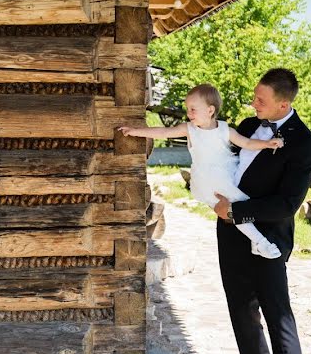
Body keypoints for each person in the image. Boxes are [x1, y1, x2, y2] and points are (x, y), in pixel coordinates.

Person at [211, 68, 311, 354]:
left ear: (283, 104)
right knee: (241, 309)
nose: (253, 104)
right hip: (230, 235)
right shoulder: (246, 125)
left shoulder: (304, 144)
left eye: (261, 99)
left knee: (278, 316)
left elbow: (288, 203)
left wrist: (237, 213)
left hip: (267, 239)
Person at [118, 83, 284, 259]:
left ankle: (257, 242)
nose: (189, 114)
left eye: (193, 109)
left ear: (210, 110)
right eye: (188, 109)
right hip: (208, 181)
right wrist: (136, 131)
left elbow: (248, 144)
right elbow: (163, 132)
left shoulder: (225, 130)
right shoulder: (189, 129)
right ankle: (260, 242)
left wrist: (266, 144)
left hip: (226, 175)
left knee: (240, 206)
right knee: (236, 204)